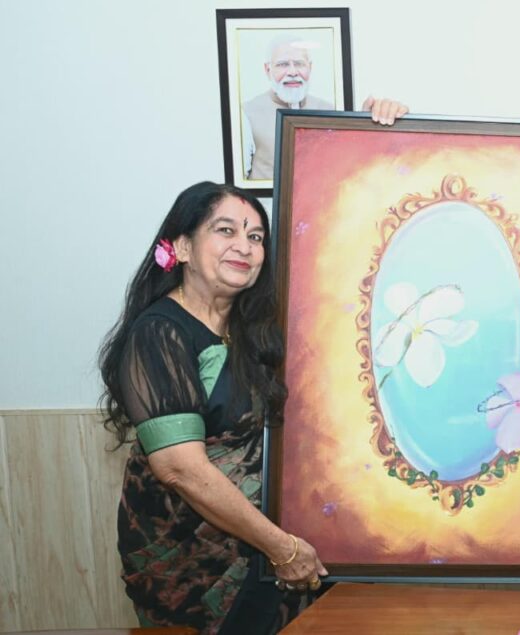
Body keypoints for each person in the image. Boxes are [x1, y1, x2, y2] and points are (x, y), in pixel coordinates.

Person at [98, 182, 325, 633]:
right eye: (226, 230)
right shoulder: (159, 333)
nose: (244, 246)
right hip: (194, 563)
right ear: (182, 247)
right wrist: (282, 549)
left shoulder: (256, 333)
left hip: (266, 542)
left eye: (256, 237)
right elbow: (179, 469)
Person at [241, 35, 408, 180]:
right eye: (283, 64)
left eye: (299, 64)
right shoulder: (246, 113)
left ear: (310, 67)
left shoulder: (330, 111)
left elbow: (349, 166)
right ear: (267, 69)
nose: (292, 72)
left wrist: (371, 126)